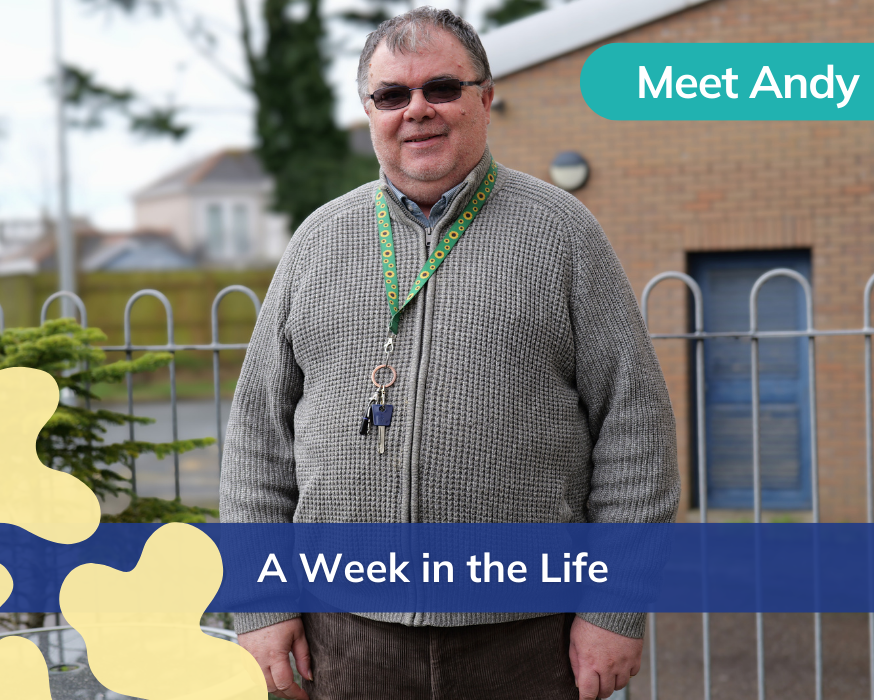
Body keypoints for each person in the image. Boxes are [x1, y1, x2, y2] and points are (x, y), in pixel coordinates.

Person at [220, 7, 679, 700]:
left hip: (528, 631)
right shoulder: (318, 241)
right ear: (369, 112)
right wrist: (261, 601)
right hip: (344, 633)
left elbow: (636, 431)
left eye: (441, 88)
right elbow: (258, 437)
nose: (417, 111)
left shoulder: (562, 234)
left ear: (485, 99)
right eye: (392, 95)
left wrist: (615, 608)